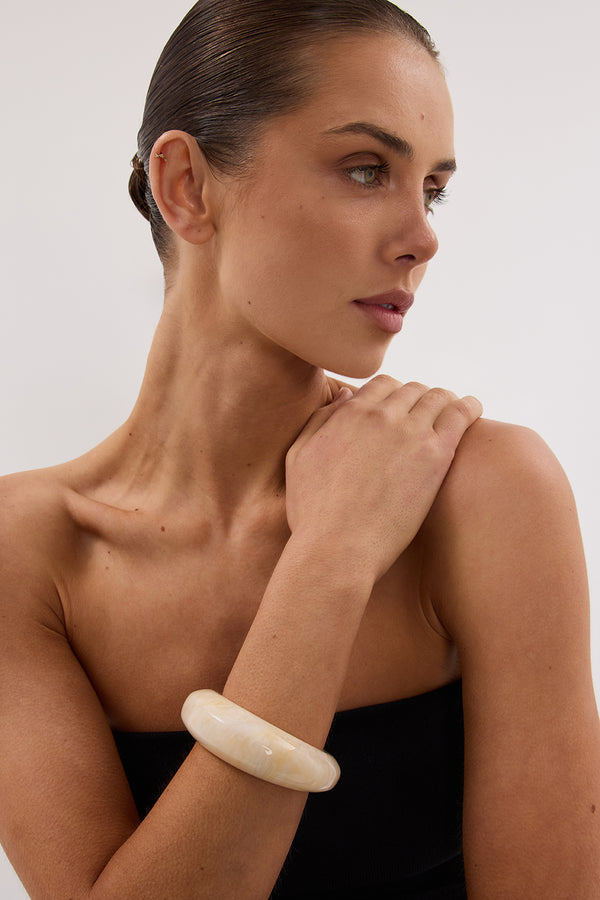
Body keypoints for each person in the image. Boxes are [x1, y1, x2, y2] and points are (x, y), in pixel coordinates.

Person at [0, 0, 598, 897]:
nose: (424, 237)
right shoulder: (23, 555)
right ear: (186, 187)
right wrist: (331, 560)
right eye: (366, 170)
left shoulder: (484, 493)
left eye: (433, 188)